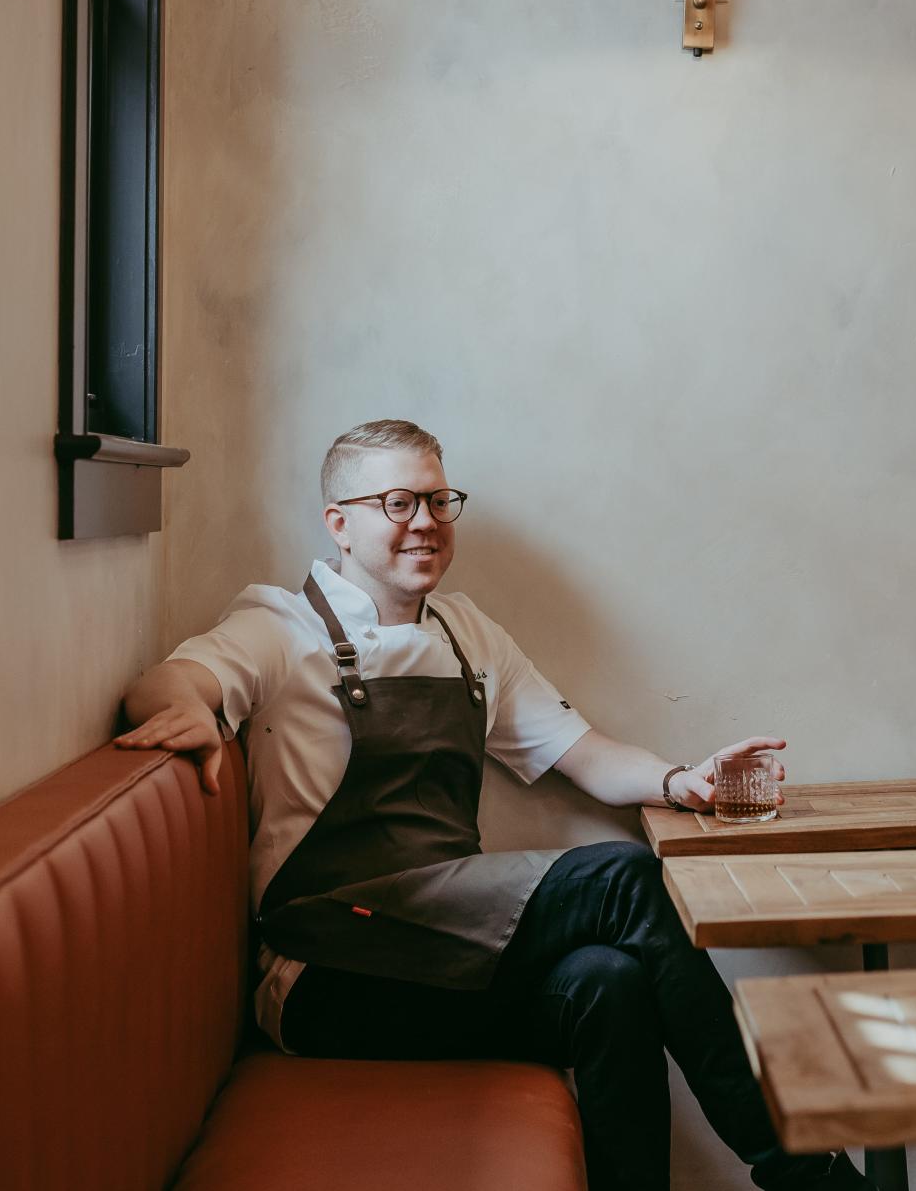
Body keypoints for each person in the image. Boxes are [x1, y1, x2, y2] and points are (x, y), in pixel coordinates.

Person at [118, 419, 869, 1191]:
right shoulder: (282, 626)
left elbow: (585, 753)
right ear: (338, 522)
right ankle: (808, 1174)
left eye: (440, 501)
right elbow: (171, 681)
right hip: (329, 976)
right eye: (399, 501)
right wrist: (186, 709)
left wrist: (681, 780)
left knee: (610, 981)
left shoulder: (467, 634)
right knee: (623, 877)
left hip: (446, 951)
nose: (426, 522)